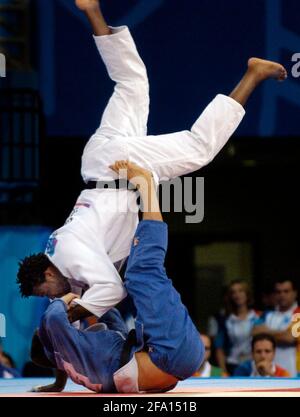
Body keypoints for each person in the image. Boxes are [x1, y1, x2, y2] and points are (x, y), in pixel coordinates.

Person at [17, 0, 287, 323]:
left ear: (47, 274)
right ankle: (92, 11)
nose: (54, 298)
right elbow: (102, 285)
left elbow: (112, 290)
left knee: (198, 148)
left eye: (47, 293)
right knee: (133, 84)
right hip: (97, 160)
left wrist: (67, 316)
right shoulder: (59, 253)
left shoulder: (69, 258)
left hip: (114, 169)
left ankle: (253, 74)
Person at [30, 161, 205, 394]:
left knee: (133, 283)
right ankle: (146, 186)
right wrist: (72, 301)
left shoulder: (74, 358)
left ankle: (140, 193)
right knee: (142, 272)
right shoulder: (59, 336)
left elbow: (109, 314)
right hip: (170, 354)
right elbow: (53, 320)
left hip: (169, 362)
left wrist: (58, 384)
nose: (52, 298)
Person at [252, 279, 300, 377]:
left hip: (292, 368)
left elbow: (290, 337)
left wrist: (266, 332)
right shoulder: (266, 314)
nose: (282, 295)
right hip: (268, 366)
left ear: (295, 293)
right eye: (278, 292)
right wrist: (282, 333)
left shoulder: (298, 313)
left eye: (286, 291)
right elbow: (255, 332)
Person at [214, 280, 261, 375]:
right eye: (233, 292)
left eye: (240, 291)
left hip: (254, 365)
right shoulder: (225, 320)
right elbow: (219, 348)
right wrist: (223, 371)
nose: (237, 295)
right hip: (233, 365)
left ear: (247, 294)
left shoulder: (258, 317)